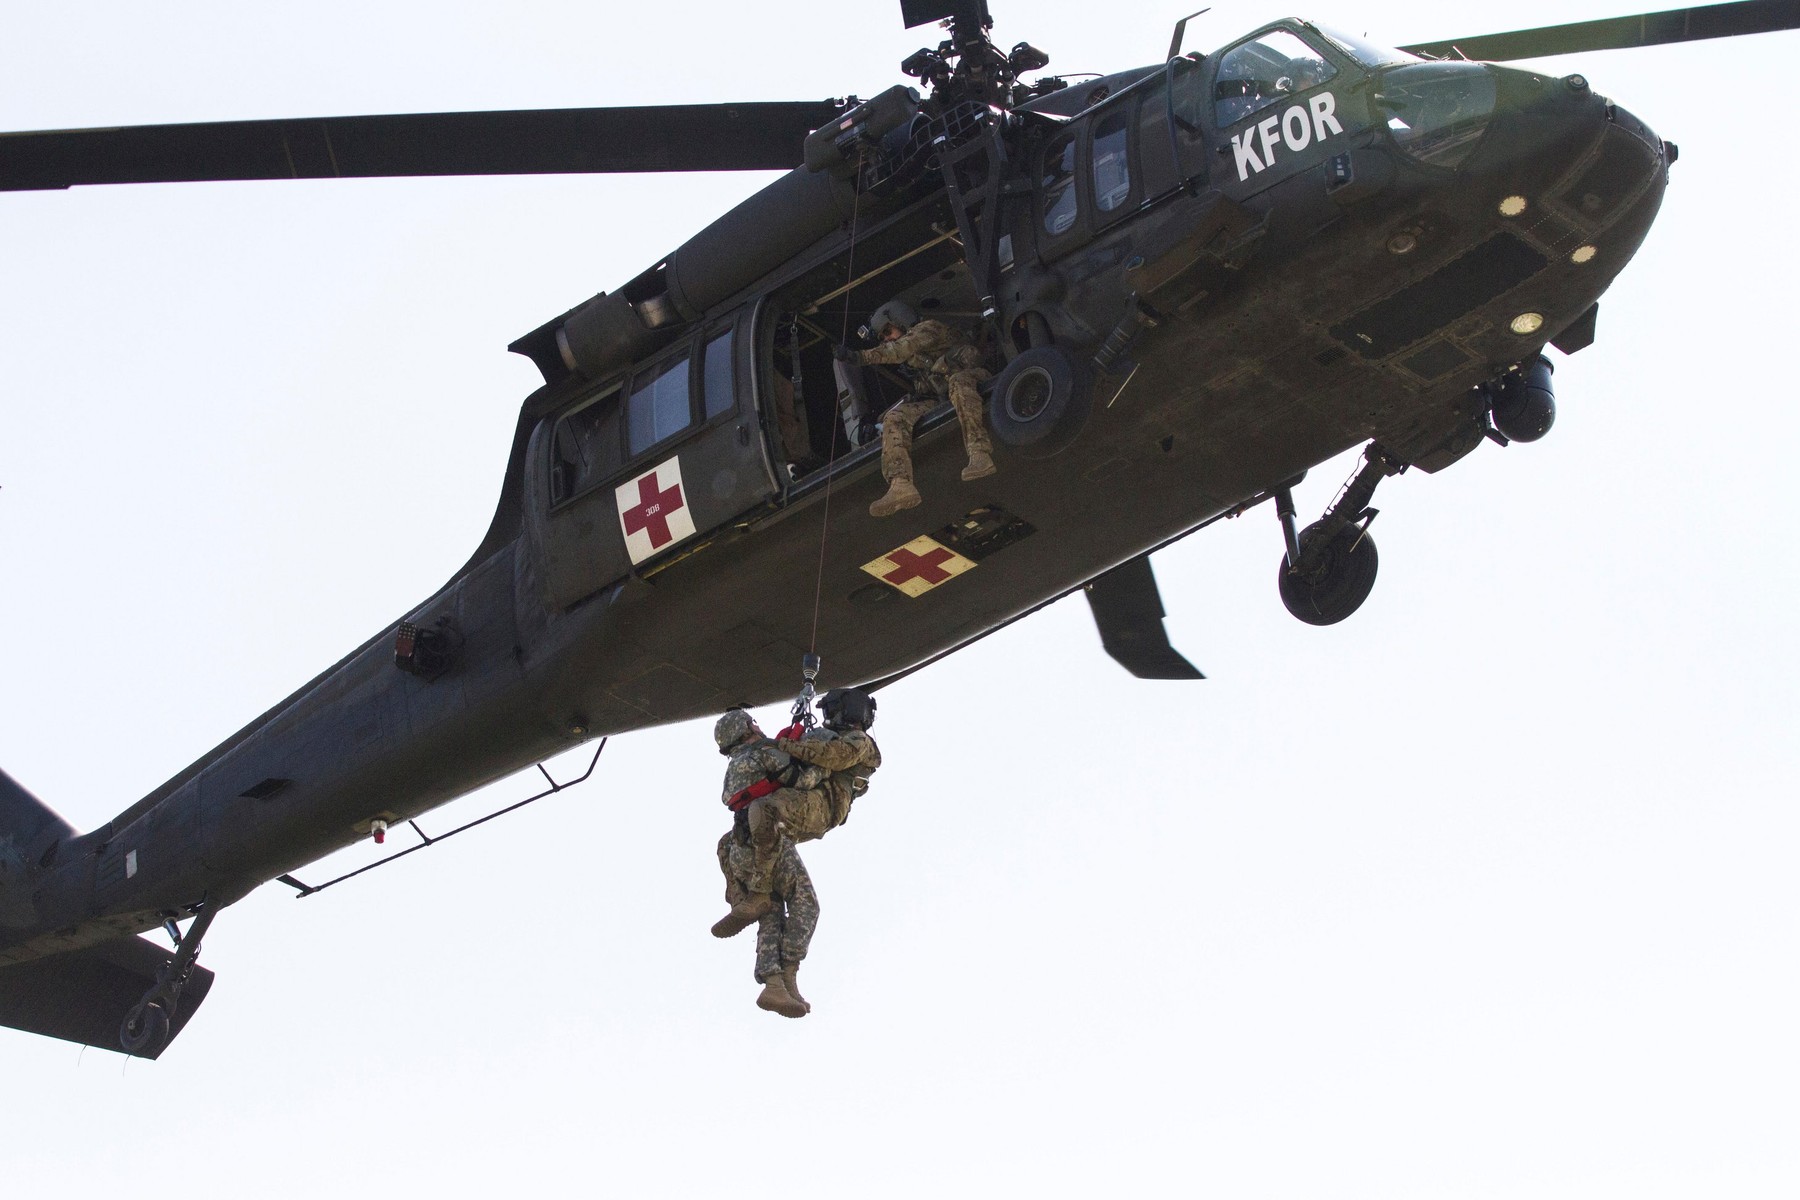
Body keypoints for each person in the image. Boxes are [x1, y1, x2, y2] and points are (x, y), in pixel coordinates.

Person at [836, 302, 994, 518]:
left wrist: (859, 358)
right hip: (944, 398)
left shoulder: (928, 329)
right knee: (895, 417)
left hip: (976, 382)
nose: (888, 339)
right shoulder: (914, 359)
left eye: (887, 332)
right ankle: (900, 484)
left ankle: (979, 454)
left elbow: (901, 349)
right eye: (883, 338)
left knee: (958, 380)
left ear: (901, 320)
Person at [716, 822, 816, 1018]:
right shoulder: (827, 795)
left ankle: (774, 984)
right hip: (766, 845)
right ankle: (787, 975)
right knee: (805, 902)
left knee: (771, 910)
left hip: (738, 850)